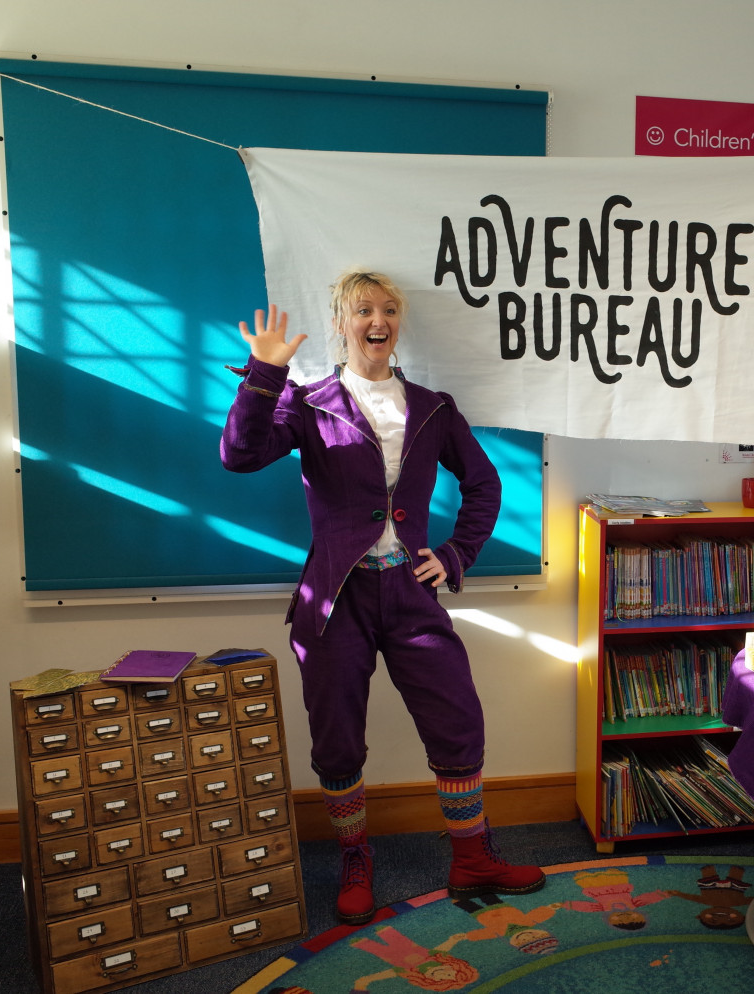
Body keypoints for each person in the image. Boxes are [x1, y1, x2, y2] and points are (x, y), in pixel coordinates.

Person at [221, 269, 544, 925]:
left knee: (458, 721)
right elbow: (238, 455)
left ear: (398, 322)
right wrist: (263, 377)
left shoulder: (432, 407)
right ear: (341, 322)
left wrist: (454, 554)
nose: (378, 320)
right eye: (363, 309)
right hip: (333, 599)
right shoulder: (308, 404)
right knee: (338, 737)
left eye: (389, 310)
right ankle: (354, 858)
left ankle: (474, 856)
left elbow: (484, 486)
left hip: (409, 593)